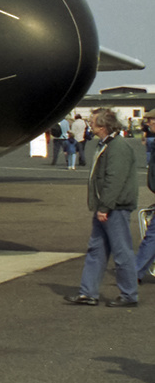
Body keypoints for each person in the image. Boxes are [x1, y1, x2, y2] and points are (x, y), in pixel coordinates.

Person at [67, 110, 140, 307]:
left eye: (93, 122)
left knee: (121, 251)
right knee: (96, 249)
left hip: (114, 208)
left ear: (103, 126)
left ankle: (129, 295)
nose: (90, 125)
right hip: (105, 206)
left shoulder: (117, 147)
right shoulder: (106, 144)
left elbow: (114, 180)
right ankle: (88, 292)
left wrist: (105, 207)